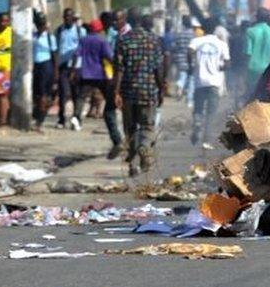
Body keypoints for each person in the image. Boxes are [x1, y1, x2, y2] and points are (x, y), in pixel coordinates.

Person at [114, 12, 166, 176]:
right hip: (148, 91)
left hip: (128, 91)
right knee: (147, 126)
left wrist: (116, 92)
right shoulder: (154, 40)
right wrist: (161, 89)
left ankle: (133, 166)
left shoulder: (123, 39)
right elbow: (158, 68)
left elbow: (119, 70)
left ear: (129, 21)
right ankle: (144, 146)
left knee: (130, 129)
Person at [73, 19, 124, 156]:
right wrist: (117, 69)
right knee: (109, 102)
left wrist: (73, 70)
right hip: (101, 75)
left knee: (81, 97)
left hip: (86, 73)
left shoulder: (83, 40)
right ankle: (117, 139)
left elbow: (76, 54)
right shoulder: (102, 41)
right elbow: (109, 56)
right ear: (100, 29)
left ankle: (76, 116)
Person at [188, 19, 231, 150]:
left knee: (198, 108)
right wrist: (220, 68)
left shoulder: (196, 41)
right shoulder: (221, 44)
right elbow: (227, 64)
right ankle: (206, 140)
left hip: (199, 81)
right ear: (214, 30)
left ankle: (197, 123)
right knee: (211, 112)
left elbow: (189, 52)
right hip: (214, 82)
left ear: (203, 29)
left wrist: (193, 65)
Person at [56, 8, 86, 129]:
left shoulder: (80, 31)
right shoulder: (59, 30)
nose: (67, 19)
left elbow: (82, 49)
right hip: (63, 66)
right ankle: (62, 119)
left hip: (77, 66)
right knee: (63, 93)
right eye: (65, 17)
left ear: (73, 18)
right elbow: (56, 48)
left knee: (77, 94)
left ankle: (76, 118)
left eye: (69, 16)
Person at [32, 12, 58, 131]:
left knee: (43, 95)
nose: (40, 27)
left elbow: (54, 56)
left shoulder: (50, 37)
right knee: (36, 95)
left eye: (42, 24)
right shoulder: (33, 36)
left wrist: (55, 73)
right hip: (35, 66)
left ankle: (40, 122)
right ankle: (38, 114)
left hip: (46, 66)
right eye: (38, 24)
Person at [245, 8, 270, 93]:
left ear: (256, 17)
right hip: (268, 68)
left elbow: (247, 53)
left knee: (251, 93)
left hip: (253, 69)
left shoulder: (250, 31)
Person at [172, 15, 196, 101]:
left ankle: (180, 85)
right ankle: (189, 98)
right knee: (191, 78)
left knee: (182, 75)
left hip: (180, 58)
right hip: (191, 59)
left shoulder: (179, 34)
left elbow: (175, 46)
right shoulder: (193, 34)